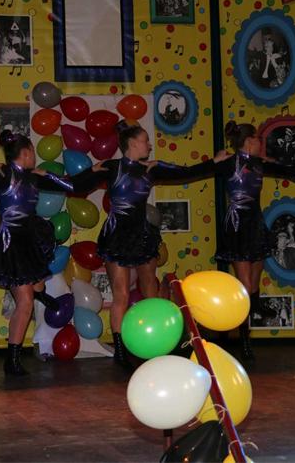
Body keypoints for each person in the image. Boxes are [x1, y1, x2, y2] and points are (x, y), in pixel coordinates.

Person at [71, 120, 227, 368]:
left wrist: (214, 162)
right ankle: (120, 350)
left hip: (142, 235)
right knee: (121, 293)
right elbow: (75, 185)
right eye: (145, 141)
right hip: (117, 236)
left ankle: (156, 342)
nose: (150, 145)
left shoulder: (151, 168)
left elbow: (186, 172)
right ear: (133, 143)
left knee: (150, 291)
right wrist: (84, 171)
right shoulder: (112, 167)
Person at [0, 130, 74, 376]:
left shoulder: (34, 177)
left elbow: (71, 185)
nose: (35, 157)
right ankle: (12, 359)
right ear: (26, 153)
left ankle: (40, 293)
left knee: (35, 286)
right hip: (10, 243)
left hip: (29, 240)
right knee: (25, 301)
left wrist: (48, 176)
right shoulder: (2, 174)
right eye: (33, 152)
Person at [213, 121, 295, 360]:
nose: (262, 142)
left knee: (254, 285)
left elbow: (293, 171)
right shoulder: (229, 163)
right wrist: (212, 162)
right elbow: (191, 171)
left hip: (255, 225)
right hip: (237, 226)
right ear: (249, 141)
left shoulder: (260, 164)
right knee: (246, 286)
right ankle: (244, 339)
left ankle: (248, 318)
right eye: (259, 138)